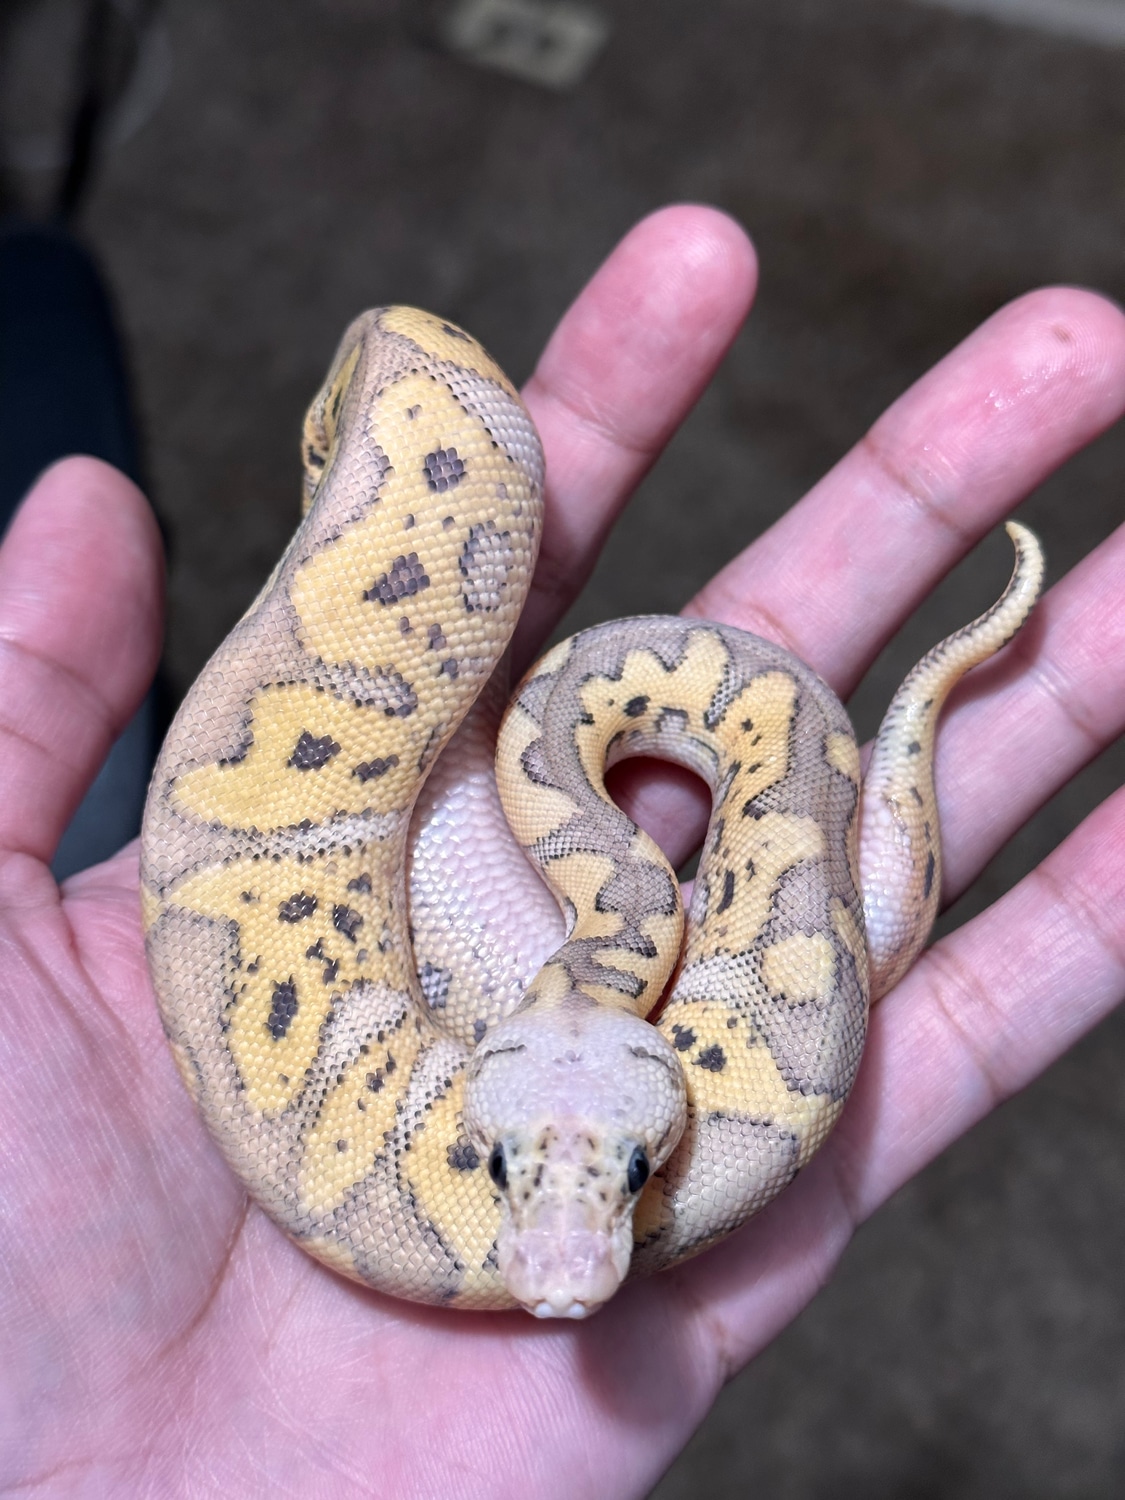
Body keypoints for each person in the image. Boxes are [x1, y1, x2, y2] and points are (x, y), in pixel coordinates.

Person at [2, 204, 1123, 1495]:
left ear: (476, 1057)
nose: (564, 1263)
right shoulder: (605, 944)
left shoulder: (607, 949)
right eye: (623, 1172)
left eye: (508, 1166)